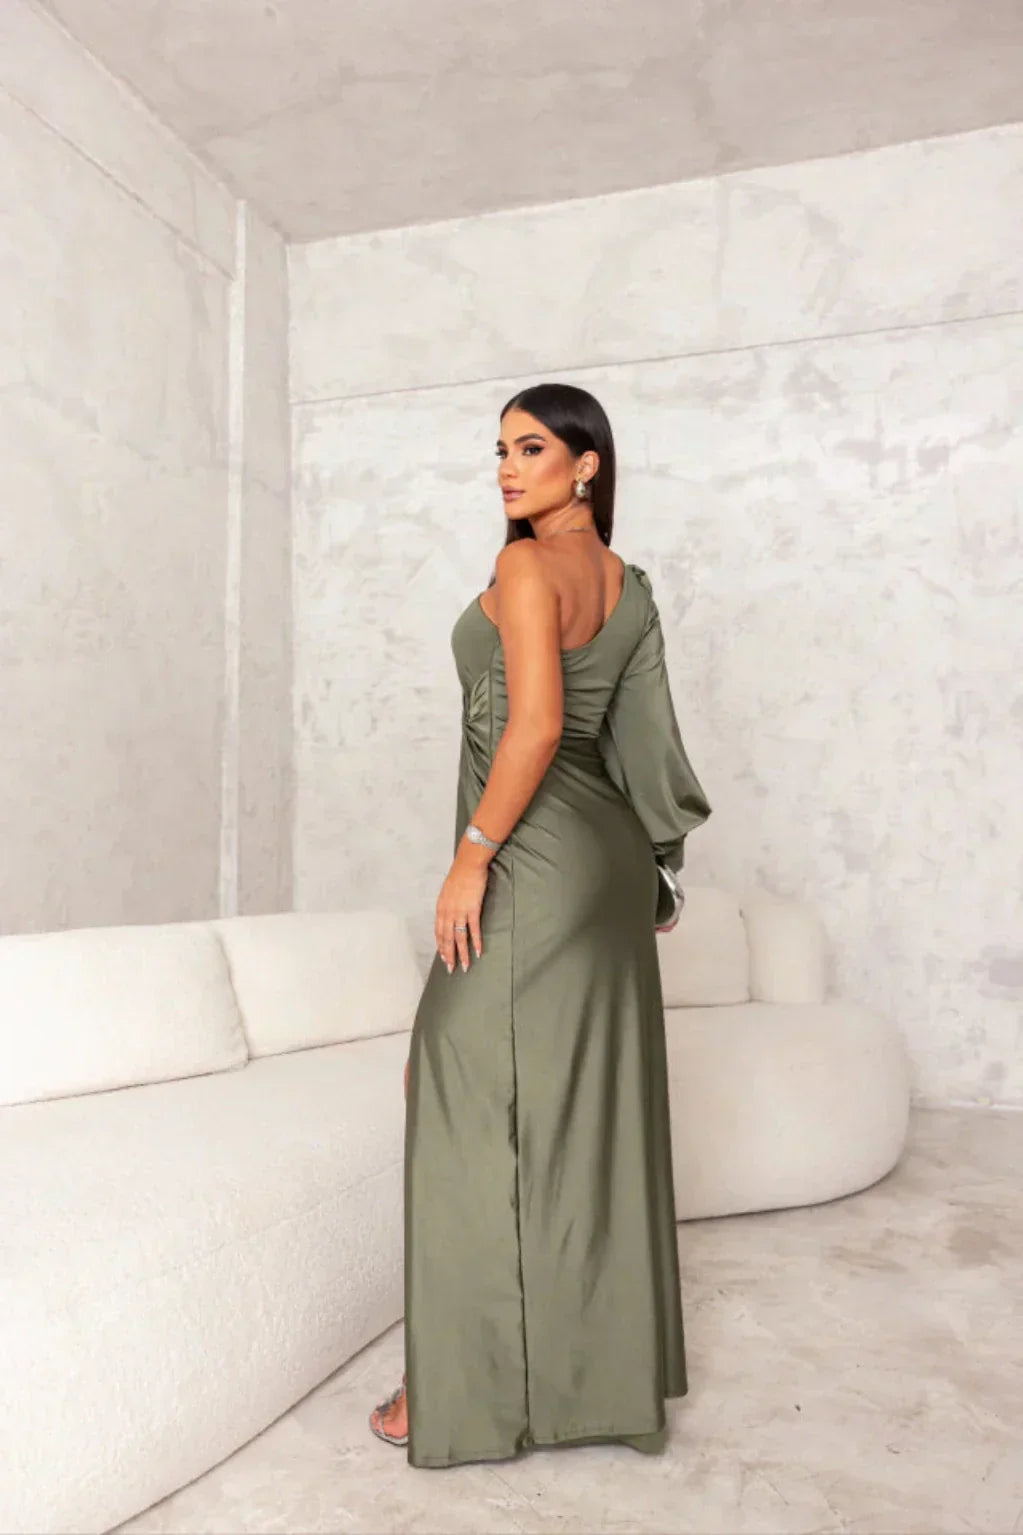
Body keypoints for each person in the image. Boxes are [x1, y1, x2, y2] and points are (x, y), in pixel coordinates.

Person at [369, 381, 712, 1467]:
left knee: (460, 1092)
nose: (507, 469)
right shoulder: (626, 583)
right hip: (603, 862)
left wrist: (471, 858)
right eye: (500, 450)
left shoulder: (524, 569)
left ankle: (456, 1383)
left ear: (586, 463)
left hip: (532, 859)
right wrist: (655, 869)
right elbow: (641, 739)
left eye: (530, 448)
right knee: (576, 1113)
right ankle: (584, 1376)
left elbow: (536, 727)